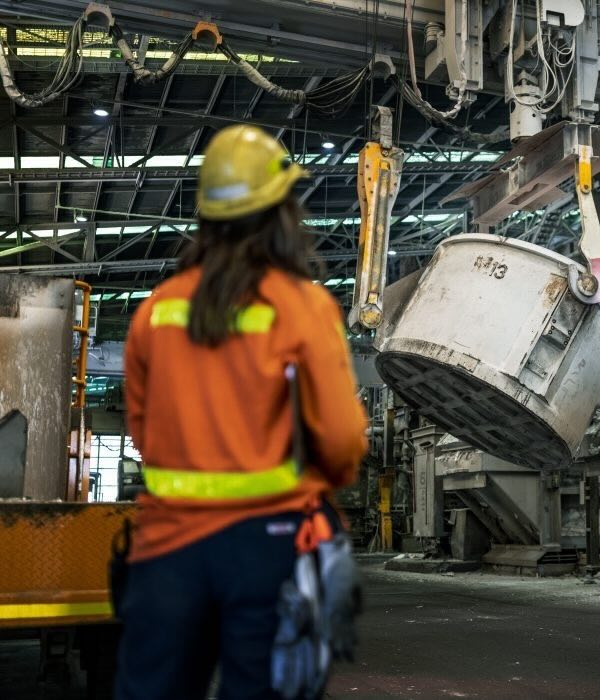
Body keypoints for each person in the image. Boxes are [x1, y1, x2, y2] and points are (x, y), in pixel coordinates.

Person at [116, 124, 369, 700]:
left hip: (166, 548)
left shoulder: (157, 310)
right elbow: (339, 439)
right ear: (282, 212)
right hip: (269, 547)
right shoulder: (302, 306)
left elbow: (143, 431)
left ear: (206, 214)